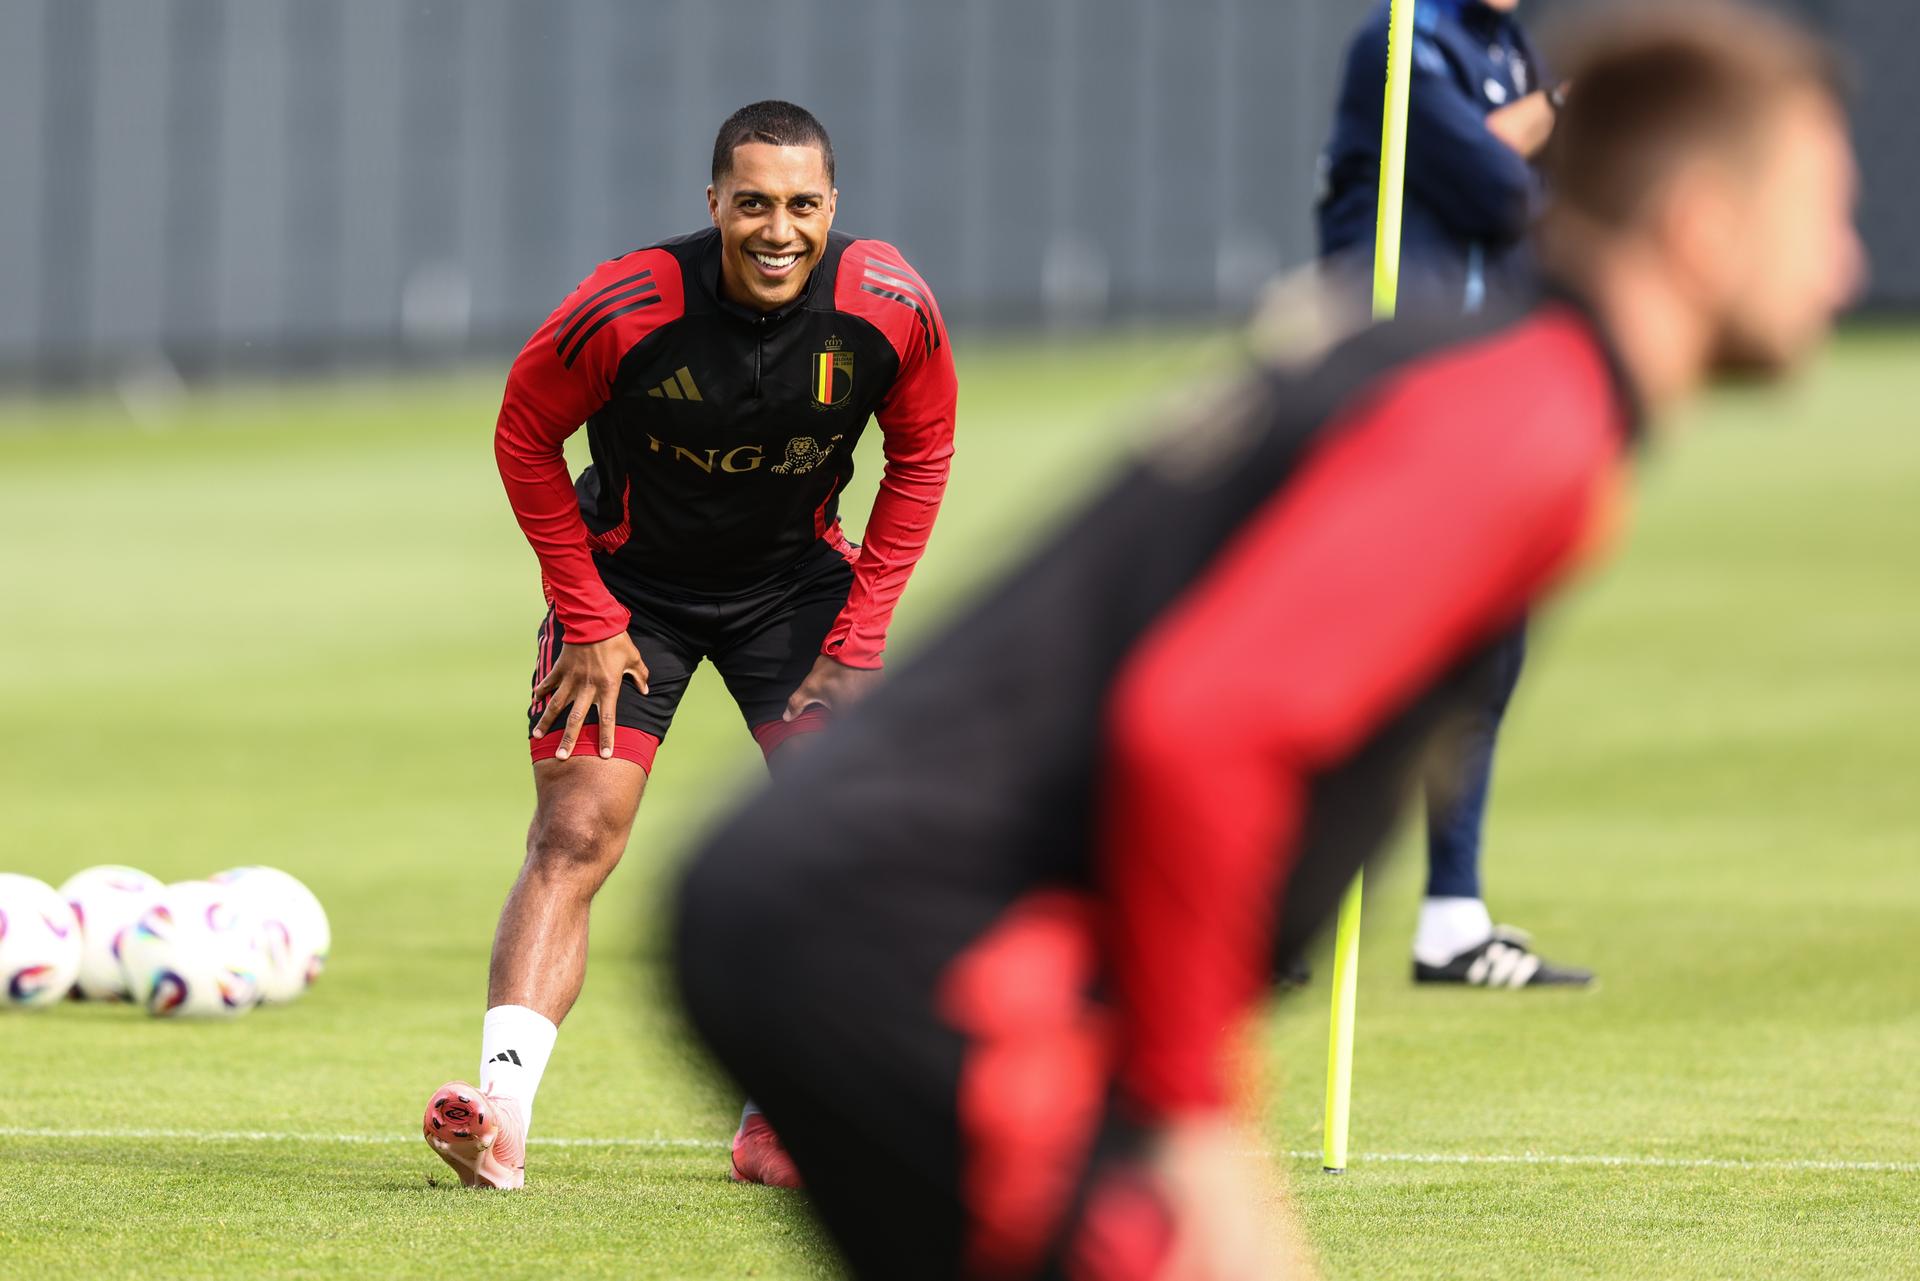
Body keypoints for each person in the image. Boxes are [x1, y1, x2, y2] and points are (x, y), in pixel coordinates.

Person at [676, 6, 1860, 1276]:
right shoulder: (1530, 417)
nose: (1846, 265)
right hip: (905, 945)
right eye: (1822, 215)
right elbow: (1202, 727)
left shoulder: (1457, 364)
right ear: (1701, 226)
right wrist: (1194, 1121)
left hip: (841, 910)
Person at [422, 101, 958, 1191]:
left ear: (833, 208)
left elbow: (924, 450)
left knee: (841, 848)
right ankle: (500, 1119)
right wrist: (585, 613)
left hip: (795, 595)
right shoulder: (625, 308)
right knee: (576, 831)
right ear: (711, 202)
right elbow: (525, 431)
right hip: (631, 595)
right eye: (752, 203)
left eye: (802, 206)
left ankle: (778, 1121)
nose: (778, 230)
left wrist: (861, 637)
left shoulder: (890, 304)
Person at [1318, 0, 1589, 986]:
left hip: (1480, 390)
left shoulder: (1501, 44)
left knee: (1487, 647)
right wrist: (1546, 115)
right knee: (1350, 658)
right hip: (1389, 387)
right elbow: (1494, 189)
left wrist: (1528, 130)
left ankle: (1452, 921)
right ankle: (1257, 911)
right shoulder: (1402, 37)